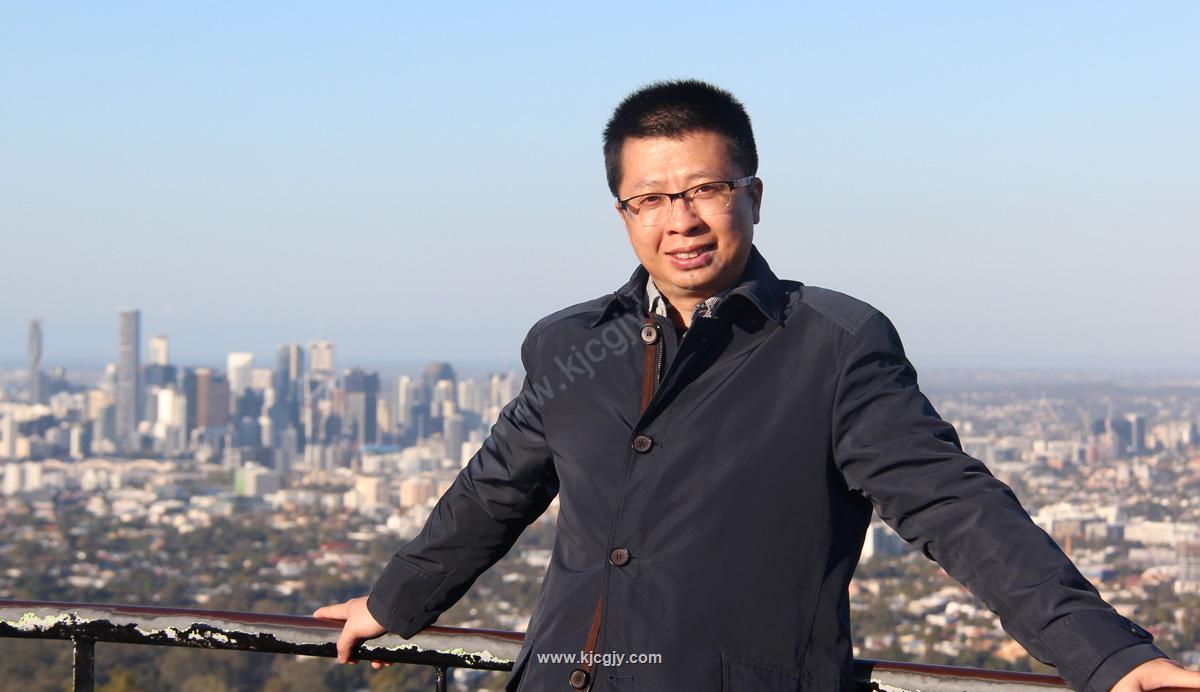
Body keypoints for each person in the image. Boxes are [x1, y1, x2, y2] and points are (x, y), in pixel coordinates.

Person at [315, 80, 1200, 691]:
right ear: (623, 213)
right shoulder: (569, 344)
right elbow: (494, 491)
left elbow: (955, 507)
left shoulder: (832, 346)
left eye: (705, 189)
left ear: (754, 196)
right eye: (650, 199)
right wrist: (393, 603)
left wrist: (1106, 655)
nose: (681, 220)